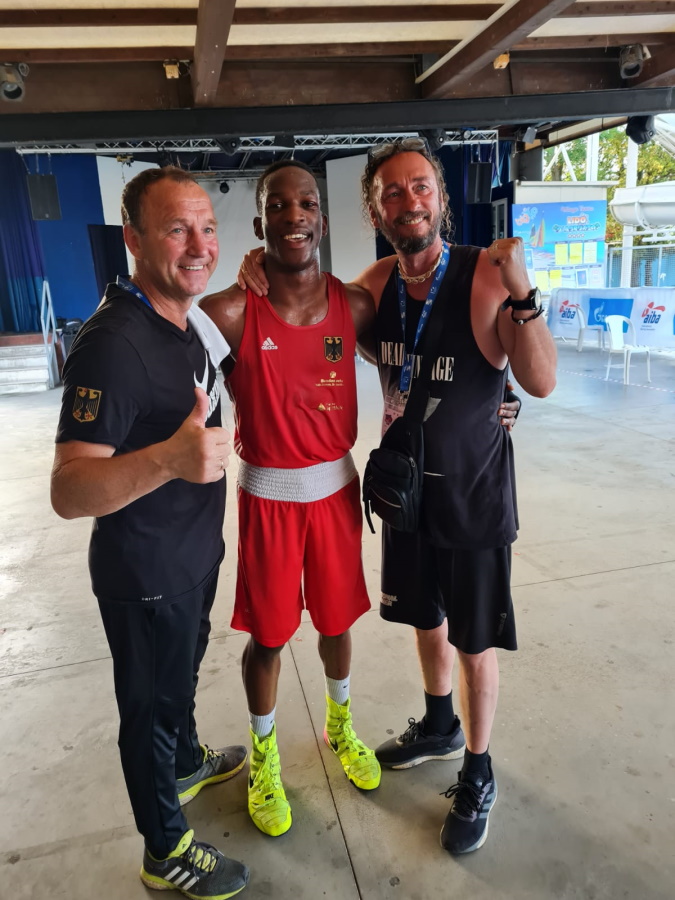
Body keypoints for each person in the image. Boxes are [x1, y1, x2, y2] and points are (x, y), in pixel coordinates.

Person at [237, 138, 555, 856]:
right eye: (391, 193)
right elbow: (307, 304)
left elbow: (539, 381)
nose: (407, 201)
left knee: (474, 641)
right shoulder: (373, 285)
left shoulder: (484, 275)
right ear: (375, 210)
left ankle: (477, 768)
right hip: (405, 494)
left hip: (473, 496)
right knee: (426, 617)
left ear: (438, 195)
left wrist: (525, 291)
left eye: (418, 187)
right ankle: (437, 722)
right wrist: (261, 265)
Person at [50, 166, 249, 899]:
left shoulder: (181, 315)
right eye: (175, 229)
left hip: (191, 554)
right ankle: (163, 849)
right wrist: (168, 458)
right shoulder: (113, 343)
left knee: (178, 686)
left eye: (206, 227)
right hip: (145, 573)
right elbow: (70, 490)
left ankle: (186, 763)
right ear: (132, 238)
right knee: (148, 712)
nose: (198, 245)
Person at [200, 160, 381, 839]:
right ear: (260, 223)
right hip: (269, 499)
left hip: (335, 493)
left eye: (306, 203)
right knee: (270, 637)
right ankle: (266, 757)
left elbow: (413, 353)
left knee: (336, 624)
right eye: (279, 205)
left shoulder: (355, 304)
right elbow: (167, 341)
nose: (295, 215)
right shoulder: (229, 308)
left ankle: (340, 724)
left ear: (322, 219)